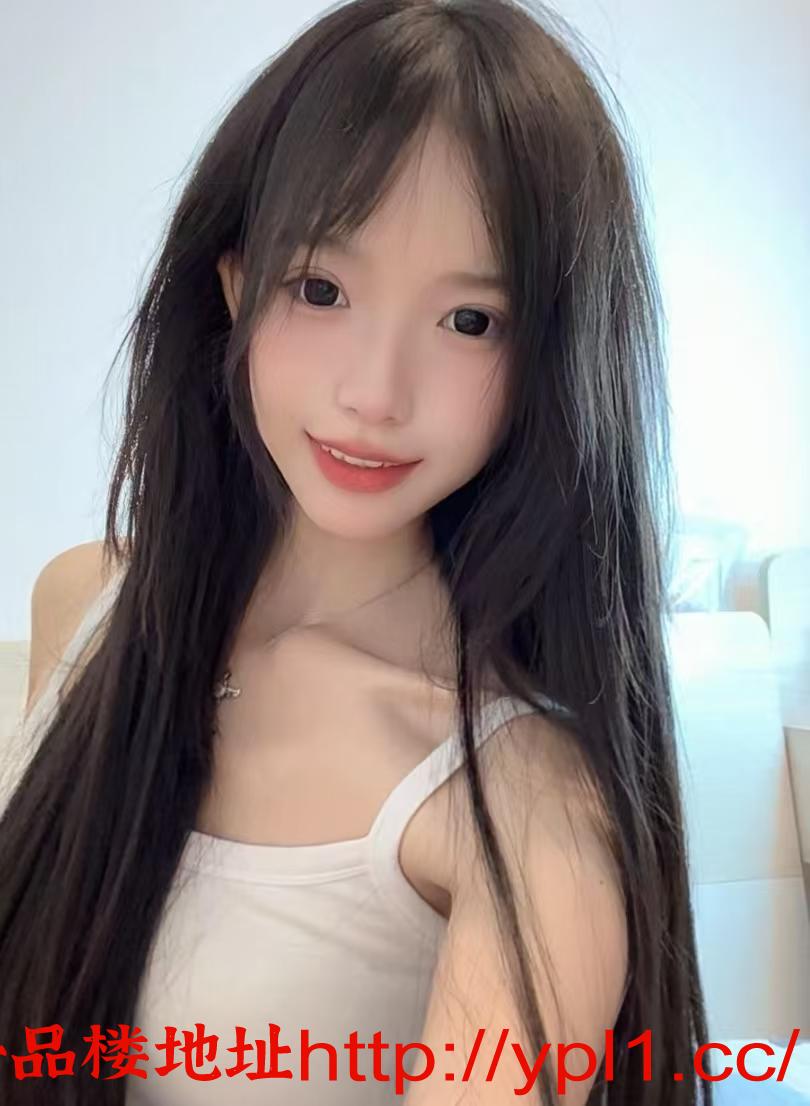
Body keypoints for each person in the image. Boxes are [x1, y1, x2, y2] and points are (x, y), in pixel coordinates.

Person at [0, 0, 714, 1103]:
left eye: (470, 321)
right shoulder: (90, 601)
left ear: (552, 361)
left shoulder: (522, 807)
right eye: (322, 290)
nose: (375, 394)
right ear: (235, 285)